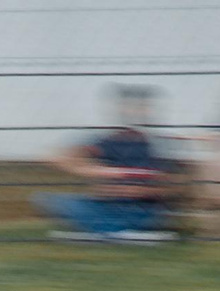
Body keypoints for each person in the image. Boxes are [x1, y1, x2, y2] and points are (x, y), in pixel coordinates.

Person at [36, 86, 179, 243]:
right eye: (127, 107)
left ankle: (111, 231)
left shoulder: (156, 144)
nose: (132, 113)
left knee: (132, 214)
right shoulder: (108, 140)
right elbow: (60, 156)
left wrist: (126, 190)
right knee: (48, 199)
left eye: (139, 108)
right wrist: (90, 170)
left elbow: (164, 188)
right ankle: (113, 232)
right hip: (106, 205)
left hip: (140, 209)